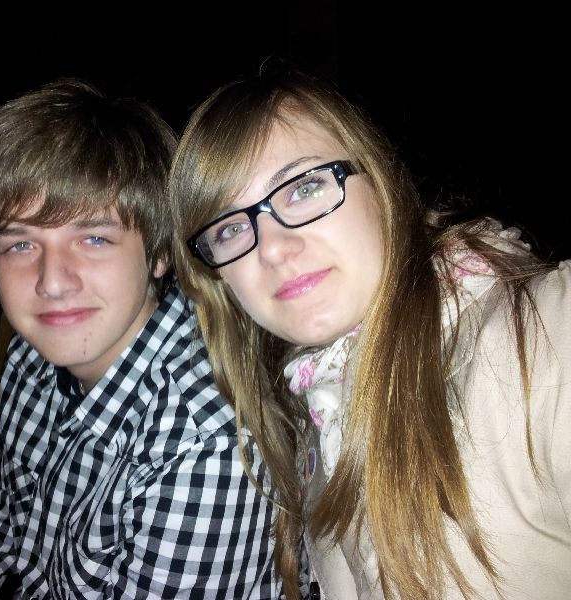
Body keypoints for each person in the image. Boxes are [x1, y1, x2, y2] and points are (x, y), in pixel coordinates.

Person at [167, 65, 570, 600]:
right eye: (232, 227)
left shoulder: (545, 337)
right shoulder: (312, 413)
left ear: (380, 181)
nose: (274, 248)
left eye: (304, 187)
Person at [0, 78, 280, 598]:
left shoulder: (206, 444)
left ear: (160, 254)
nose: (52, 282)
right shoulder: (30, 359)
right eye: (20, 244)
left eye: (94, 238)